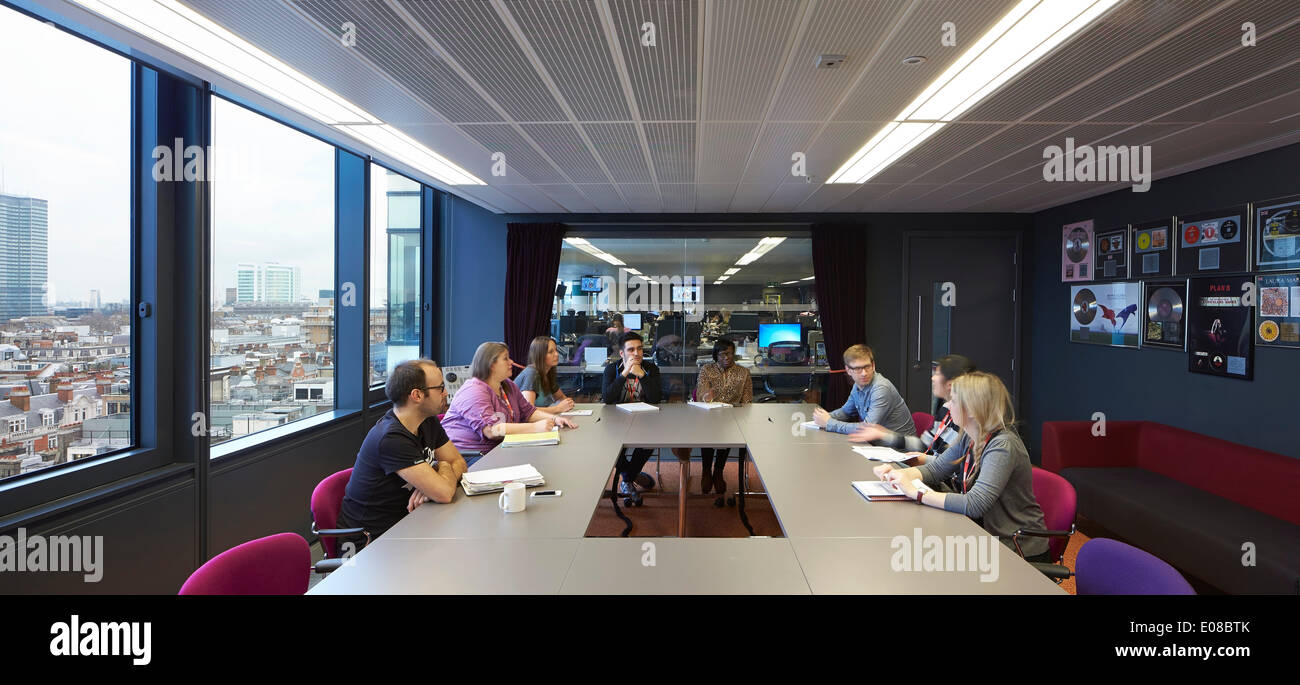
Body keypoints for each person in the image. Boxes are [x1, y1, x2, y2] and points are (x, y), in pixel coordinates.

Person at [872, 371, 1051, 562]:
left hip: (1016, 548)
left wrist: (918, 493)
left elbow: (975, 504)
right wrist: (900, 475)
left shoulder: (1003, 446)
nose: (948, 406)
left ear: (973, 409)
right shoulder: (970, 434)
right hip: (982, 534)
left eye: (954, 401)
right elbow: (936, 469)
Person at [337, 359, 468, 544]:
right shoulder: (391, 439)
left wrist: (434, 481)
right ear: (417, 395)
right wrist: (442, 466)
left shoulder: (427, 421)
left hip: (410, 523)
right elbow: (445, 492)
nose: (445, 393)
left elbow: (460, 464)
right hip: (372, 543)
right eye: (440, 388)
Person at [441, 341, 577, 454]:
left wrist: (554, 418)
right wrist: (534, 428)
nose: (511, 362)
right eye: (505, 358)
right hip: (469, 456)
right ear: (491, 364)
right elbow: (492, 430)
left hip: (498, 450)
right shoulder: (474, 390)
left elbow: (528, 412)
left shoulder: (507, 385)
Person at [849, 354, 977, 463]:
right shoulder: (945, 409)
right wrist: (884, 435)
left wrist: (923, 460)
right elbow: (923, 446)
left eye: (937, 373)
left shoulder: (966, 421)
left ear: (950, 384)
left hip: (938, 481)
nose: (932, 377)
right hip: (928, 472)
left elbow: (953, 464)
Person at [672, 338, 752, 499]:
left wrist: (742, 415)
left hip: (732, 416)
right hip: (709, 415)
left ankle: (718, 471)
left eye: (729, 354)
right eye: (722, 354)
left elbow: (747, 400)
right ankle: (706, 470)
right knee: (708, 436)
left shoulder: (743, 373)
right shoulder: (707, 369)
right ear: (716, 355)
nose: (726, 358)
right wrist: (706, 396)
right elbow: (701, 392)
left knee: (727, 437)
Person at [602, 332, 661, 501]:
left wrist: (642, 375)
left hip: (644, 420)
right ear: (622, 353)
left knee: (650, 442)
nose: (636, 353)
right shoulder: (611, 369)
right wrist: (624, 374)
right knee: (611, 444)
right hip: (616, 420)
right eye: (631, 349)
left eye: (640, 349)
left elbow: (656, 398)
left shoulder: (651, 369)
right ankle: (631, 476)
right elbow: (607, 398)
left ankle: (627, 477)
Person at [813, 344, 915, 436]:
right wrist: (823, 418)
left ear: (873, 365)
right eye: (858, 369)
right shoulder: (857, 385)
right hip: (878, 445)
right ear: (848, 370)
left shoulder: (881, 388)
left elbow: (867, 428)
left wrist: (829, 422)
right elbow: (845, 412)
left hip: (899, 450)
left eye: (867, 367)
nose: (864, 373)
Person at [515, 336, 576, 412]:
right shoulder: (532, 373)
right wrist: (557, 409)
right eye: (551, 352)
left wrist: (567, 403)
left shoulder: (548, 373)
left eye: (556, 350)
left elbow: (561, 397)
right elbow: (528, 411)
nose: (556, 354)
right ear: (540, 355)